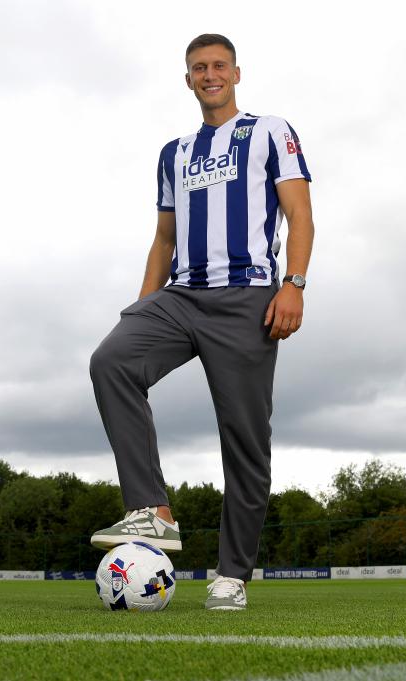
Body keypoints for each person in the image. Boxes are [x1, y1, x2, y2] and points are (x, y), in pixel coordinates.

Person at [89, 33, 314, 610]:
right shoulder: (174, 152)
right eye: (198, 68)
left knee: (244, 439)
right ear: (187, 79)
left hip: (248, 298)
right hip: (183, 295)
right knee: (111, 360)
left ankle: (232, 573)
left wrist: (294, 284)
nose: (209, 74)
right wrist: (142, 306)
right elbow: (164, 238)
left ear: (236, 73)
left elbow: (299, 212)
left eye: (218, 65)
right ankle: (152, 509)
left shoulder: (271, 131)